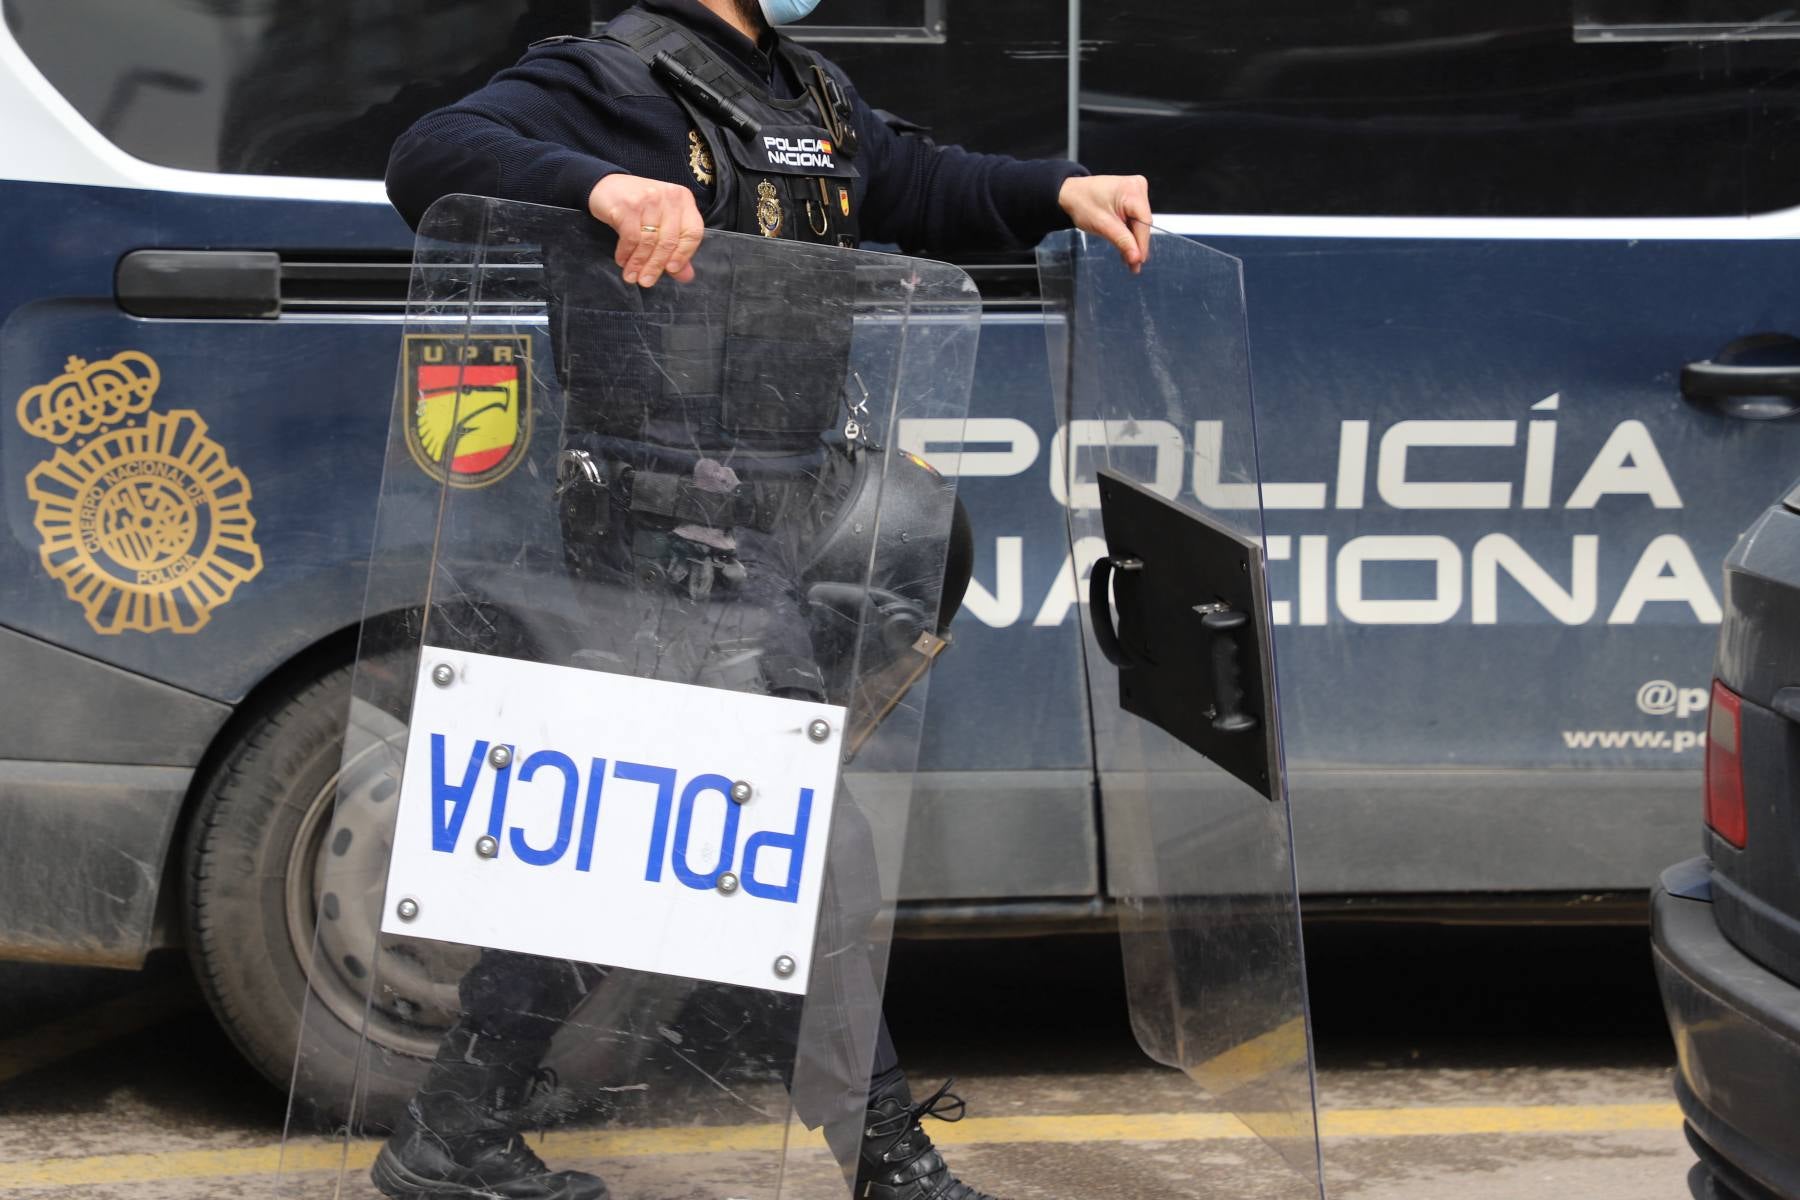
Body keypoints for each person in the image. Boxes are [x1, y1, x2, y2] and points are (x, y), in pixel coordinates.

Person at [378, 4, 1153, 1199]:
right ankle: (888, 1158)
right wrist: (603, 190)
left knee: (625, 843)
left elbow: (921, 181)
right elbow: (431, 154)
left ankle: (456, 1129)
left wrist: (1062, 190)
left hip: (782, 515)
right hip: (665, 533)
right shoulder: (605, 75)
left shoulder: (805, 89)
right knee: (800, 836)